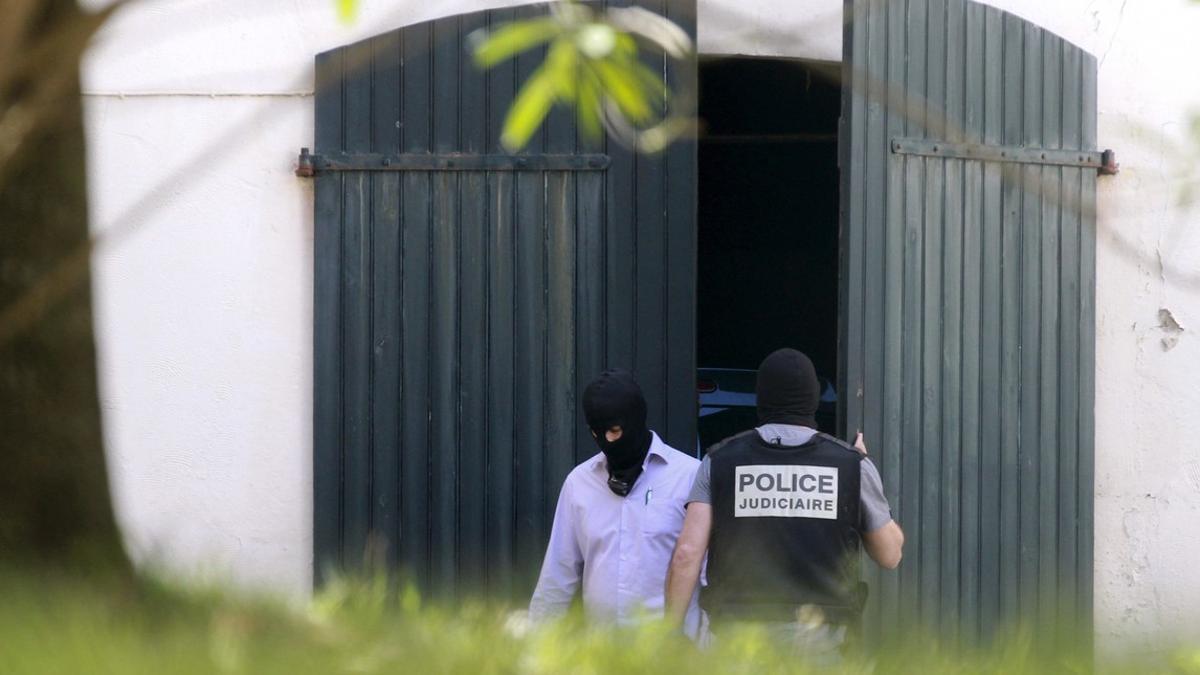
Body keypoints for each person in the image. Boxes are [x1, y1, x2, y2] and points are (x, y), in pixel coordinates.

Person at [664, 348, 904, 660]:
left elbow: (686, 556)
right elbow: (890, 555)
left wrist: (668, 635)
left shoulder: (718, 461)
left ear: (761, 397)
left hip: (738, 647)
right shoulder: (851, 466)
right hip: (823, 648)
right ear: (813, 398)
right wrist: (866, 474)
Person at [529, 369, 704, 636]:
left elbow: (711, 572)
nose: (608, 441)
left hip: (671, 655)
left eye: (615, 430)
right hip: (604, 655)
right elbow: (558, 575)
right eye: (597, 433)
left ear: (636, 420)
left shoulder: (689, 476)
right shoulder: (579, 483)